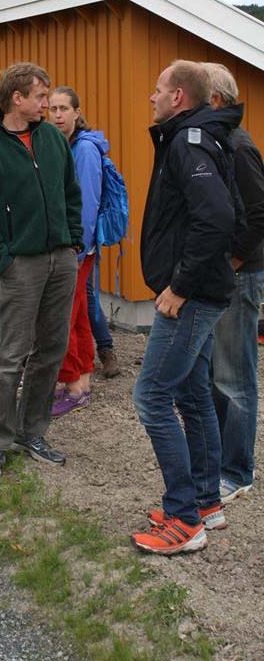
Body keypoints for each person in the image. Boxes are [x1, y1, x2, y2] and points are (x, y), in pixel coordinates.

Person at [131, 60, 237, 555]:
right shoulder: (195, 137)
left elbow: (216, 217)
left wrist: (179, 285)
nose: (151, 98)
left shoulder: (189, 141)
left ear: (178, 97)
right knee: (192, 396)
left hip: (189, 297)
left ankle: (183, 518)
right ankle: (205, 501)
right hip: (199, 291)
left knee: (151, 397)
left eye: (157, 90)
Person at [0, 62, 82, 479]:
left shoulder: (52, 139)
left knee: (50, 351)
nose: (47, 105)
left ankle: (32, 431)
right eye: (40, 97)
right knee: (9, 355)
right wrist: (2, 262)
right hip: (20, 266)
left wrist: (73, 239)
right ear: (17, 98)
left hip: (61, 260)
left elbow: (71, 192)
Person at [203, 62, 264, 504]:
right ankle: (221, 457)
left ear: (217, 101)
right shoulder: (218, 142)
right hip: (225, 275)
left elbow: (259, 214)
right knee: (216, 372)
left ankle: (237, 469)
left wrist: (236, 260)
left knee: (235, 375)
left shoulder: (239, 147)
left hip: (241, 276)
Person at [49, 87, 107, 416]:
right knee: (81, 312)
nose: (57, 115)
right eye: (53, 109)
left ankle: (71, 384)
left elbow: (86, 204)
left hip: (77, 246)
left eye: (63, 109)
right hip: (75, 245)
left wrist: (76, 247)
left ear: (76, 112)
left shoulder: (83, 149)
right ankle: (82, 381)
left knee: (63, 316)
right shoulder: (66, 144)